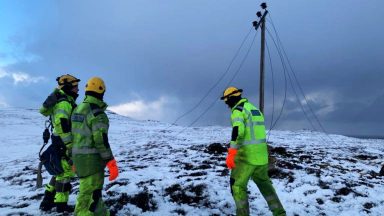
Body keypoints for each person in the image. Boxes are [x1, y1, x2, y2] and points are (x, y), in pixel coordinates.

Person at [220, 86, 286, 216]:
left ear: (230, 99)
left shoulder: (238, 111)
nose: (226, 104)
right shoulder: (254, 109)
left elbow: (238, 132)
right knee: (265, 185)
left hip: (246, 158)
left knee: (237, 186)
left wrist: (232, 153)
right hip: (261, 158)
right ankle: (279, 213)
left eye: (226, 101)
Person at [71, 77, 119, 215]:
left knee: (92, 193)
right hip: (92, 162)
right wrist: (111, 161)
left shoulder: (77, 109)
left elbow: (73, 136)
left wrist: (72, 159)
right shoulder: (98, 114)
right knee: (89, 196)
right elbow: (101, 141)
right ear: (102, 91)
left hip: (78, 159)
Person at [39, 74, 80, 213]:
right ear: (68, 87)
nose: (77, 90)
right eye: (75, 87)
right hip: (63, 142)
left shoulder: (64, 100)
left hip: (58, 141)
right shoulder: (64, 103)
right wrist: (70, 145)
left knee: (58, 172)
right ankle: (61, 206)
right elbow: (62, 125)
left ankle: (47, 201)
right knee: (65, 174)